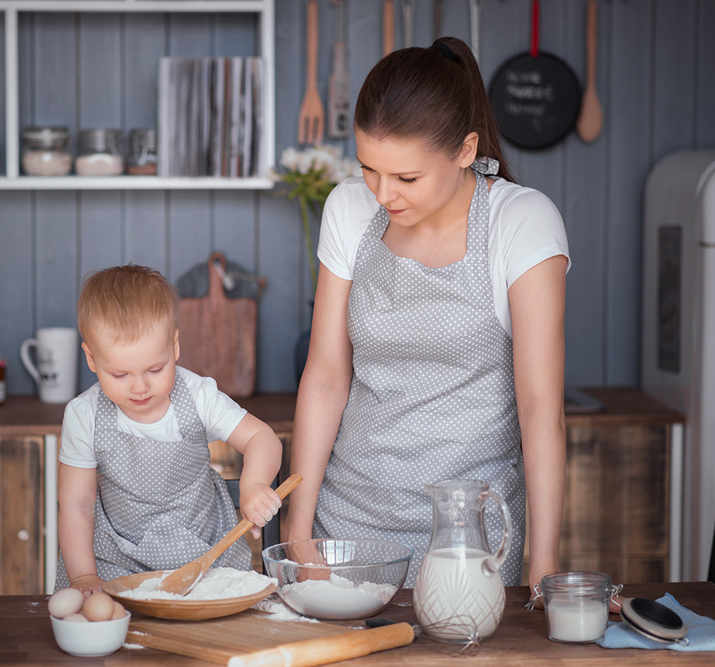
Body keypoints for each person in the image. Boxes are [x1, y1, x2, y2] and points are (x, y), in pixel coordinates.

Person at [286, 37, 569, 590]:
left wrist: (544, 566)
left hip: (470, 542)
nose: (383, 193)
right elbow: (325, 376)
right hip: (346, 526)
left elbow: (541, 411)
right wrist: (299, 529)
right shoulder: (348, 208)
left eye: (406, 178)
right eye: (369, 168)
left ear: (465, 150)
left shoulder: (522, 222)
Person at [56, 265, 283, 593]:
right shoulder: (84, 415)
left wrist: (254, 484)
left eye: (155, 369)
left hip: (205, 555)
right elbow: (77, 505)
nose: (139, 387)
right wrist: (83, 577)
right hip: (116, 561)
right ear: (91, 359)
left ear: (174, 347)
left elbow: (262, 438)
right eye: (120, 375)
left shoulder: (197, 396)